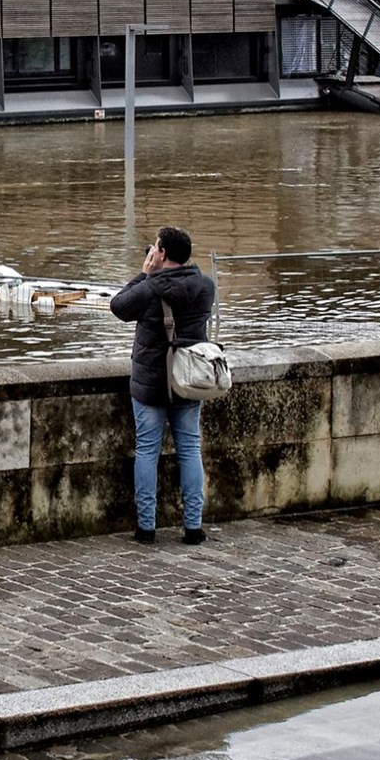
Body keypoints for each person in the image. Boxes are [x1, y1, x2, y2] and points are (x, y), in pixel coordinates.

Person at [109, 225, 216, 545]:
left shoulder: (149, 288)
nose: (153, 251)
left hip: (151, 382)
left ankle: (146, 528)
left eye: (156, 247)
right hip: (188, 380)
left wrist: (145, 273)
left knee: (147, 450)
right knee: (190, 449)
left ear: (163, 253)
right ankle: (193, 527)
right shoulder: (205, 287)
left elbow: (118, 306)